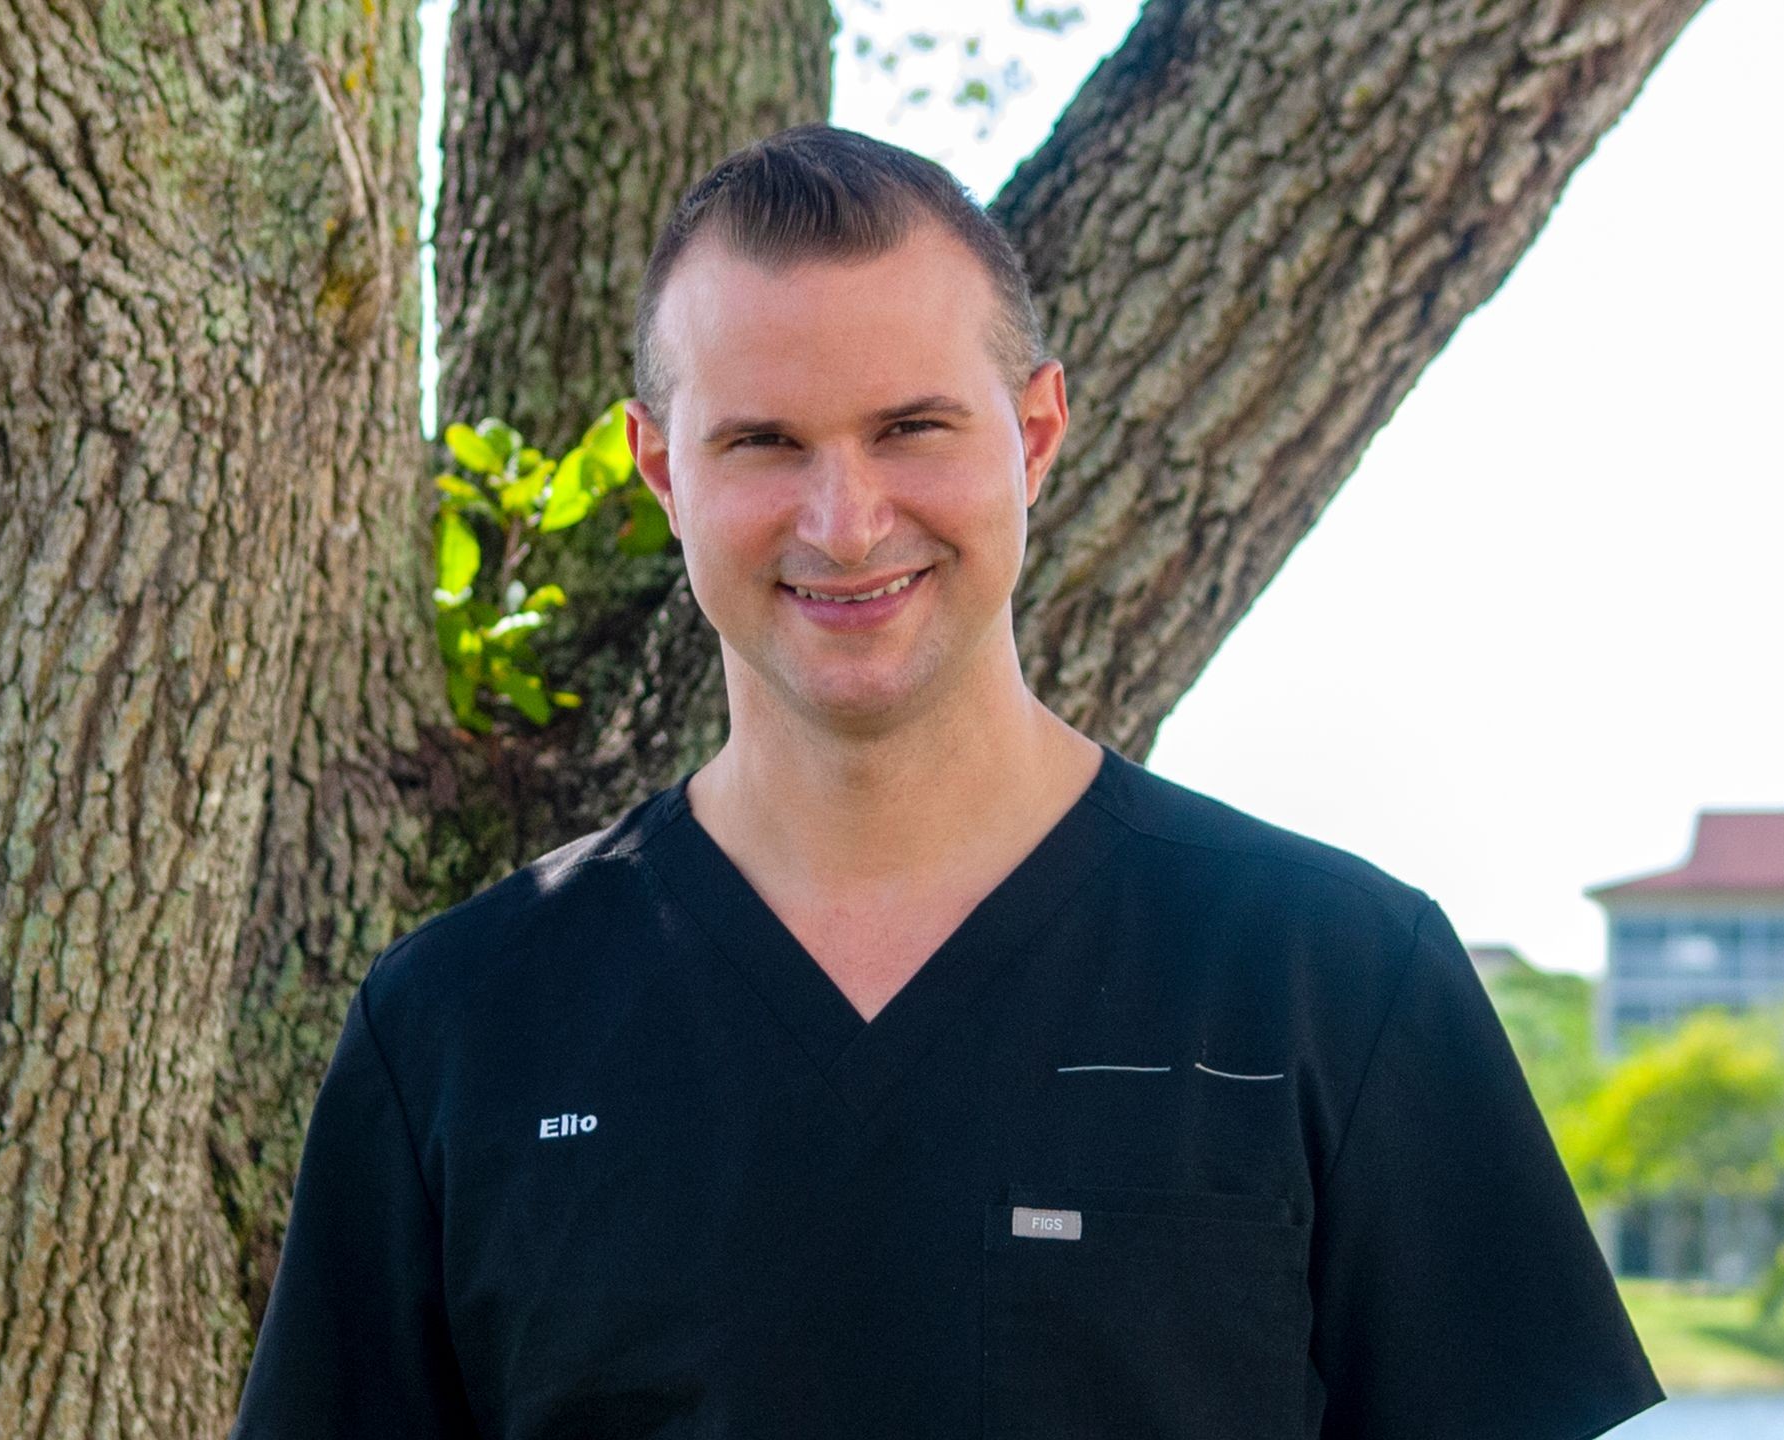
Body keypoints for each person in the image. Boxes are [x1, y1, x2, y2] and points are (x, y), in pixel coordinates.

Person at [232, 123, 1667, 1439]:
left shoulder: (1336, 980)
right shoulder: (459, 1029)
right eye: (764, 442)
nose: (845, 522)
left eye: (913, 429)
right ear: (661, 470)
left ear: (1033, 435)